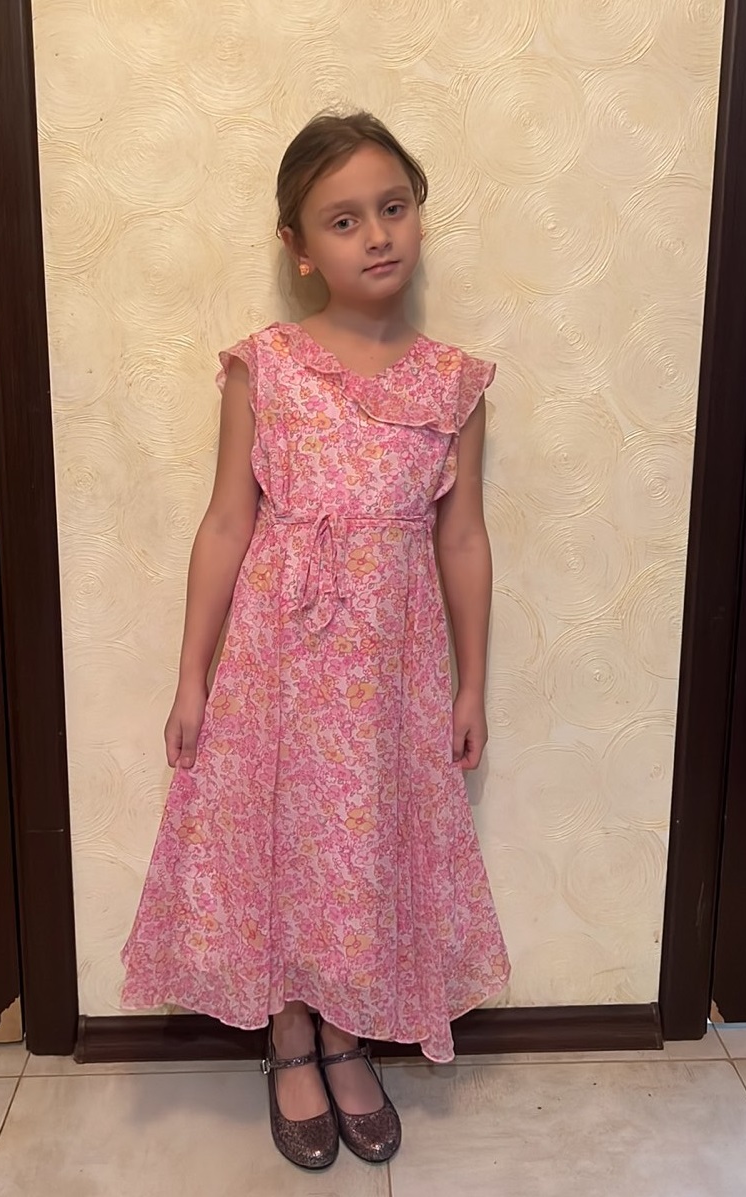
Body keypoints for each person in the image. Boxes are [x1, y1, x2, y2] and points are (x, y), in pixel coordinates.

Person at [120, 111, 510, 1171]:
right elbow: (225, 523)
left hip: (388, 669)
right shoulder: (265, 367)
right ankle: (288, 1034)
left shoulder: (454, 383)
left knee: (362, 843)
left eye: (393, 207)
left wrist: (471, 684)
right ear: (299, 248)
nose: (376, 234)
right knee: (278, 840)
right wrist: (191, 676)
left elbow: (462, 538)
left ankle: (346, 1032)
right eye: (343, 220)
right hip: (275, 660)